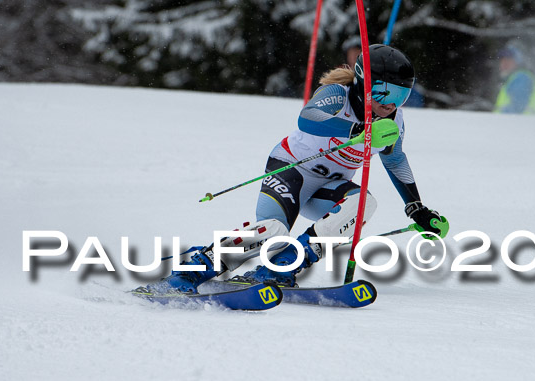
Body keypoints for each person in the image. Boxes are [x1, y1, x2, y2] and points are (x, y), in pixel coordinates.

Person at [146, 44, 445, 294]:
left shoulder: (395, 121)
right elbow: (308, 118)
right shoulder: (337, 95)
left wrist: (416, 207)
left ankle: (282, 266)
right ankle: (194, 270)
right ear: (363, 81)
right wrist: (359, 129)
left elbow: (394, 159)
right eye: (383, 93)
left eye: (400, 96)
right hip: (292, 171)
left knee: (364, 202)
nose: (390, 104)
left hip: (329, 186)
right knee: (274, 233)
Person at [493, 45, 535, 115]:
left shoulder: (521, 78)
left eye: (508, 60)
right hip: (518, 123)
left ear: (517, 61)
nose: (504, 63)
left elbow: (518, 106)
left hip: (521, 123)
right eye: (502, 60)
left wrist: (498, 117)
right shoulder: (514, 78)